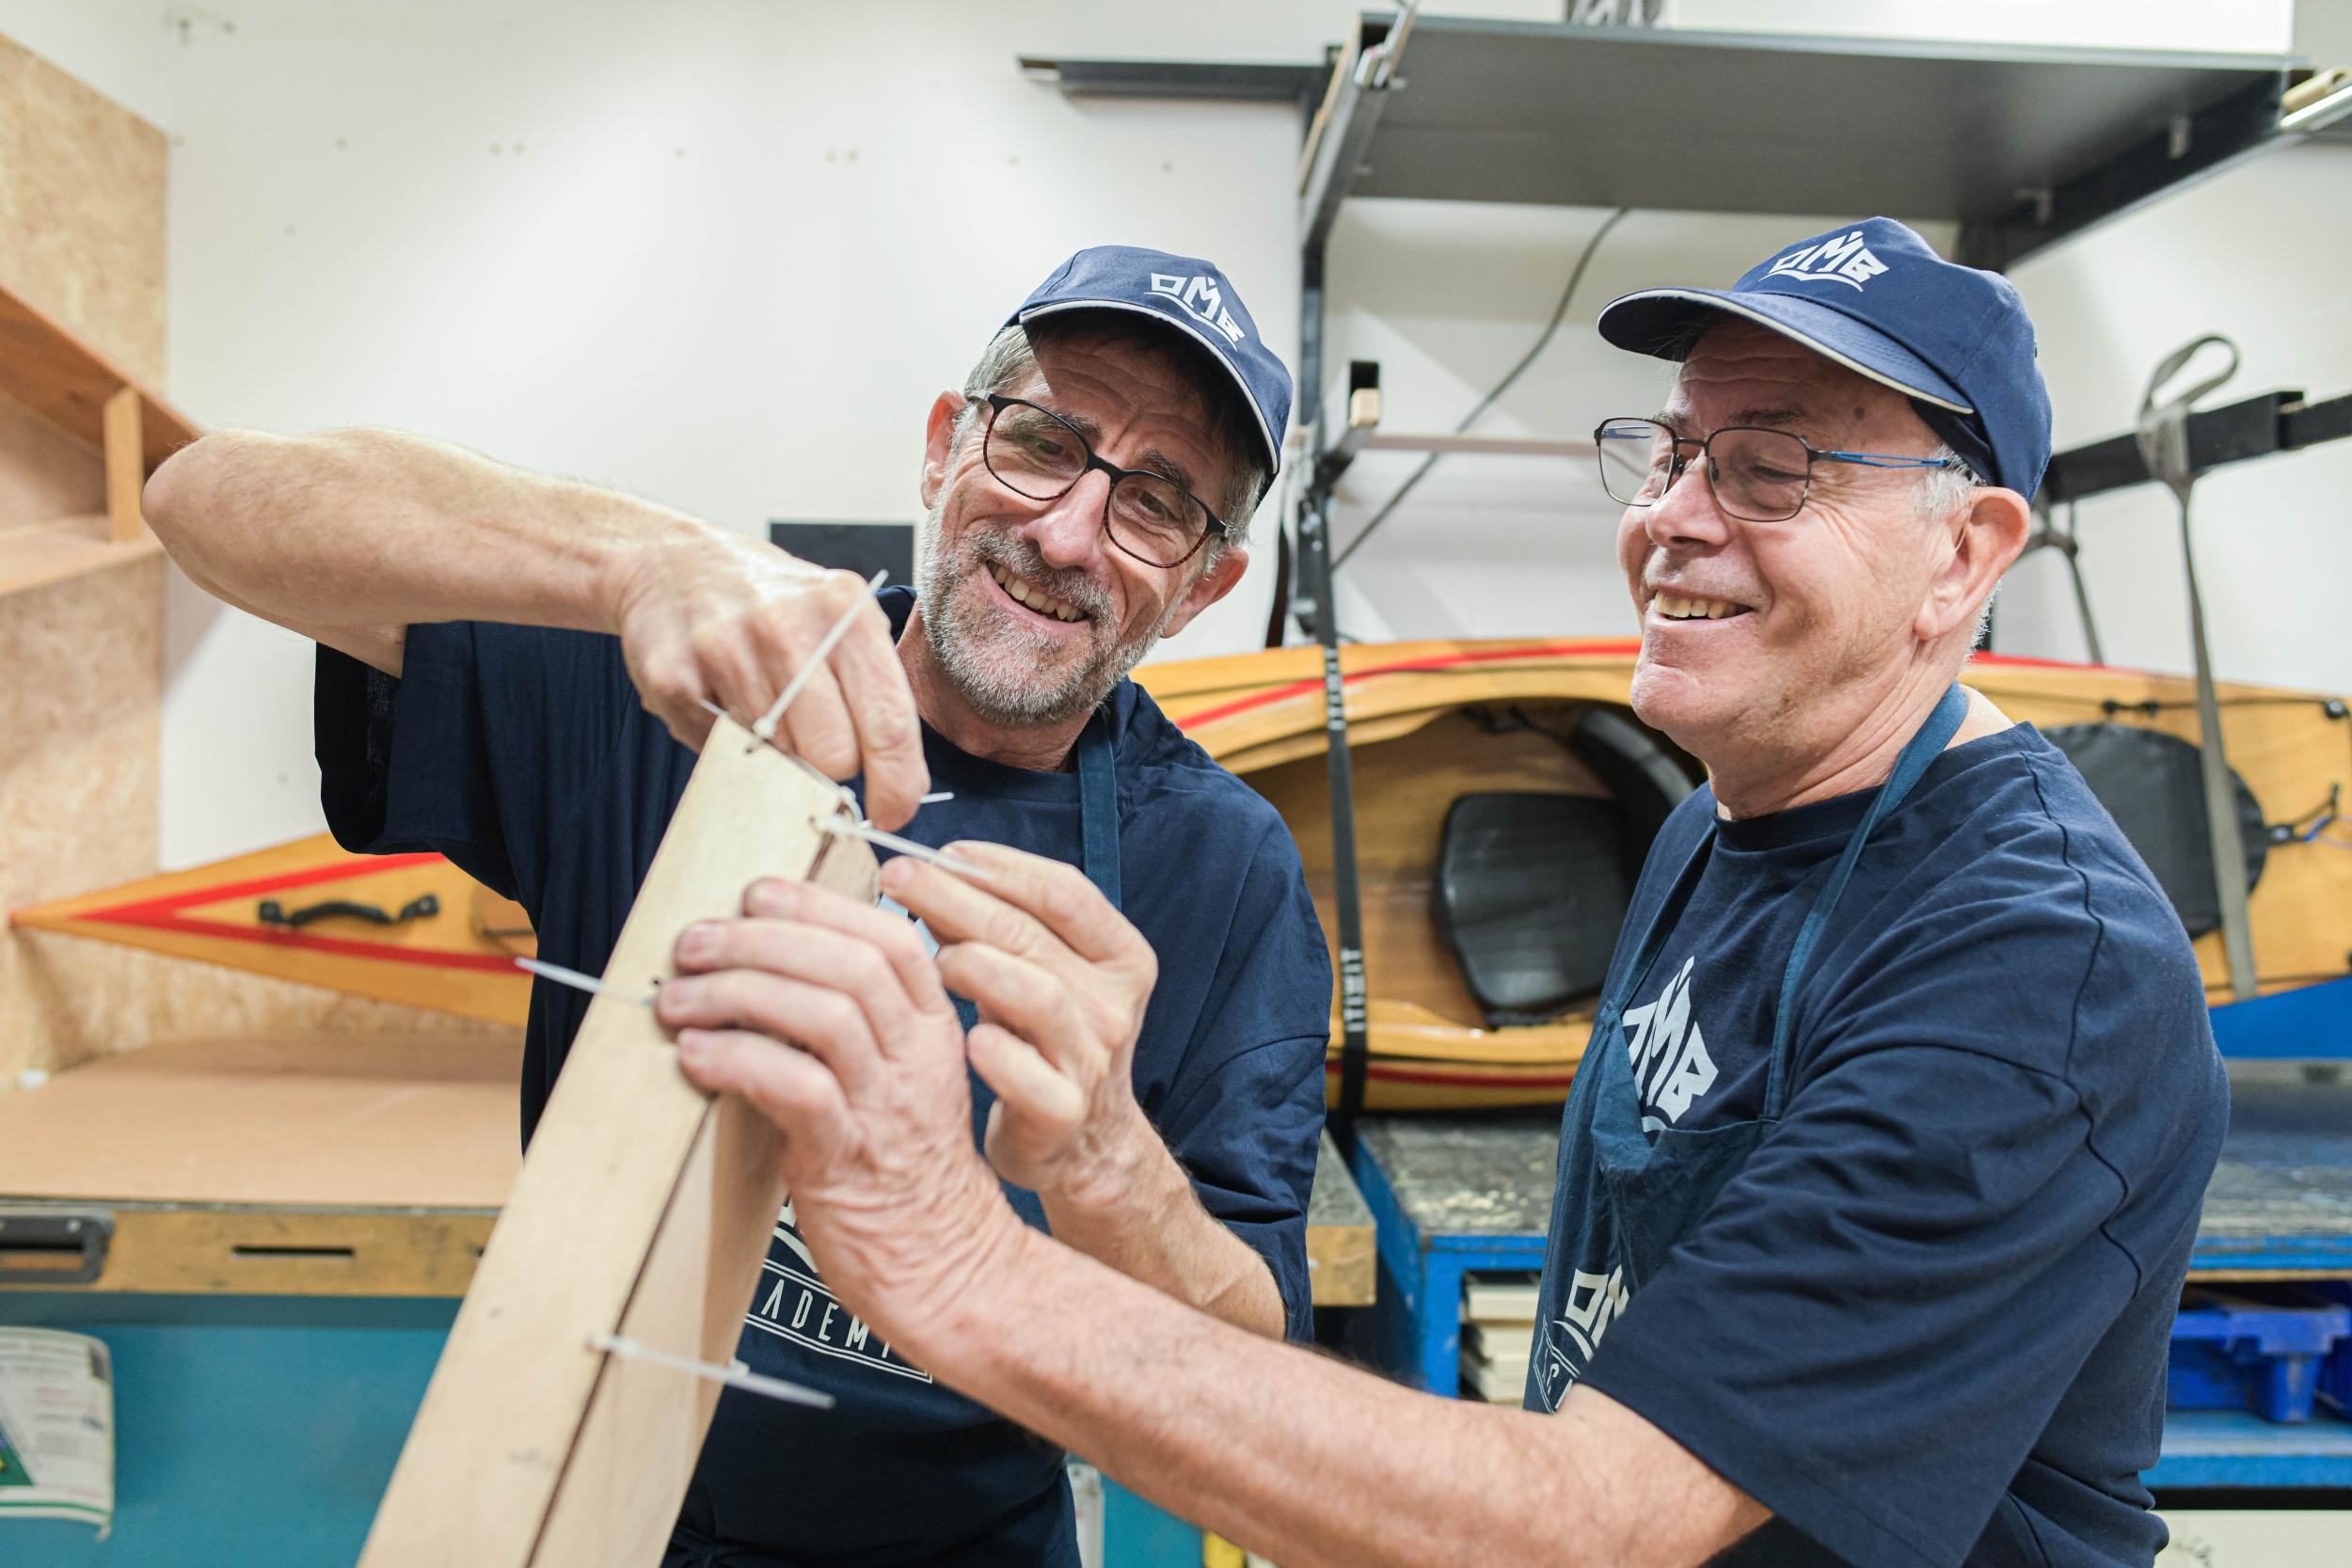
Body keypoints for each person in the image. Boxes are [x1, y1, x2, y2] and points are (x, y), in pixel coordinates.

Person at [663, 218, 2232, 1568]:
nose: (1673, 515)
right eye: (1677, 451)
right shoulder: (1717, 825)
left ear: (1966, 553)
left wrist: (953, 1256)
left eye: (1771, 471)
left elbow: (1589, 1526)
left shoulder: (2033, 969)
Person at [142, 246, 1336, 1567]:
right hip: (577, 1507)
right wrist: (636, 561)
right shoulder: (678, 682)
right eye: (1043, 442)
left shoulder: (1227, 874)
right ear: (944, 448)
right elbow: (204, 499)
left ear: (1205, 587)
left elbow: (1252, 1361)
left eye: (1157, 505)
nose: (1065, 534)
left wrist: (1116, 1168)